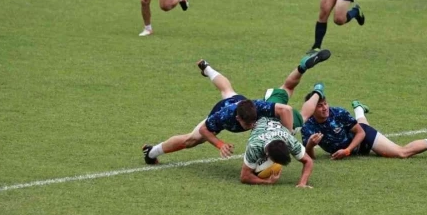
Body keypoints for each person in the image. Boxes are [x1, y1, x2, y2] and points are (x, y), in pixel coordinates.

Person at [141, 50, 331, 164]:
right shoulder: (224, 116)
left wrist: (287, 135)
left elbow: (285, 110)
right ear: (238, 119)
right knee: (191, 140)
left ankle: (207, 68)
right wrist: (220, 144)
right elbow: (206, 129)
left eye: (252, 122)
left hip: (239, 102)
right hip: (225, 107)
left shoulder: (257, 107)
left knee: (229, 90)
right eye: (248, 124)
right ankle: (152, 152)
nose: (251, 126)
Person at [301, 97, 427, 160]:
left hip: (363, 139)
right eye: (319, 106)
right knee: (361, 124)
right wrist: (310, 145)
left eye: (325, 103)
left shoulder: (338, 113)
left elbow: (361, 132)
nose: (325, 108)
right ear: (311, 109)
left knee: (401, 153)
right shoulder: (308, 126)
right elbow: (311, 158)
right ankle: (359, 109)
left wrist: (347, 151)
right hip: (356, 146)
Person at [233, 117, 314, 188]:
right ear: (267, 155)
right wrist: (267, 182)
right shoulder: (254, 147)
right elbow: (244, 177)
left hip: (284, 116)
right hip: (263, 114)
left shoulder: (289, 140)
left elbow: (308, 161)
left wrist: (302, 183)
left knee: (300, 119)